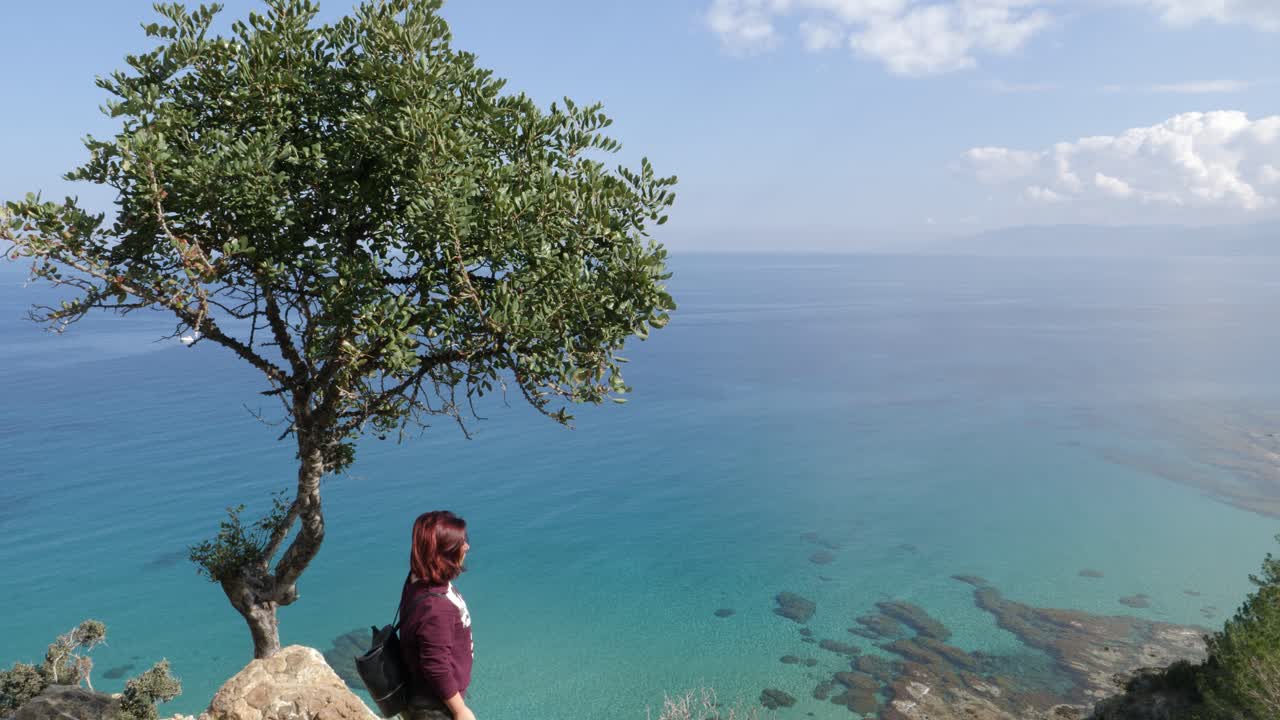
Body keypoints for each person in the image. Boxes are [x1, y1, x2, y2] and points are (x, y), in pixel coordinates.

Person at [399, 511, 476, 720]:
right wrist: (460, 710)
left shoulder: (417, 580)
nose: (467, 546)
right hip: (436, 707)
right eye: (461, 543)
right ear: (444, 554)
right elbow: (436, 667)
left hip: (428, 696)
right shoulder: (436, 608)